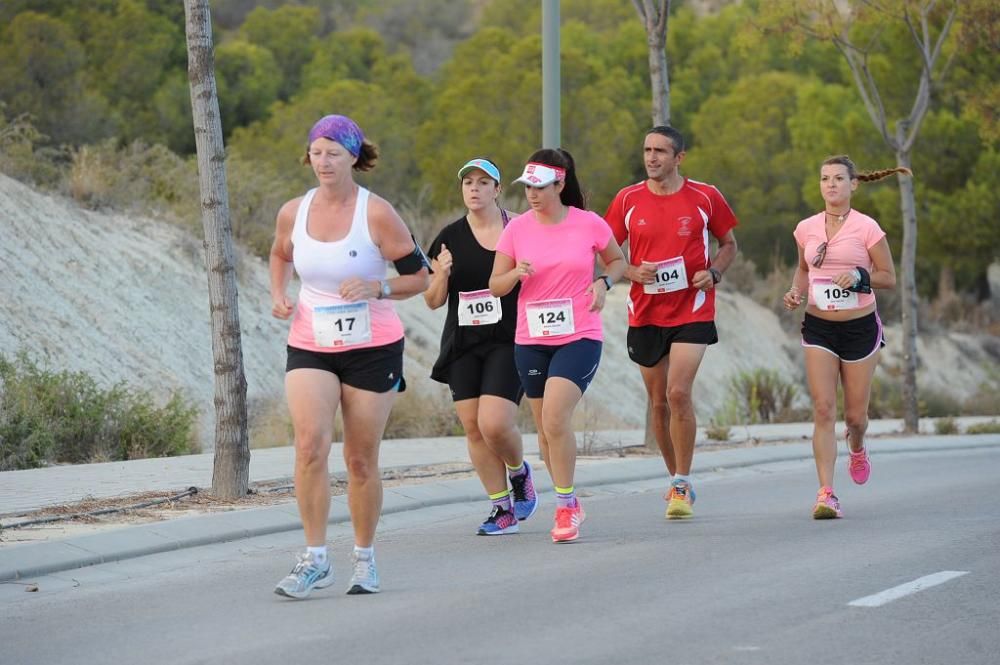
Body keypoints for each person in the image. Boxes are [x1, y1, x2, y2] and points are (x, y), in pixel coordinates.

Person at [269, 114, 430, 598]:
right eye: (316, 152)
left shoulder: (377, 213)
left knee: (360, 459)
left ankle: (364, 558)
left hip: (372, 346)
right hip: (311, 341)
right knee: (309, 446)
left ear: (354, 158)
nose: (323, 162)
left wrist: (377, 285)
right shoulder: (293, 211)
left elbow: (419, 278)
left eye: (333, 153)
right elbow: (280, 254)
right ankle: (315, 558)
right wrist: (279, 293)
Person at [489, 148, 626, 543]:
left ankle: (566, 506)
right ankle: (568, 499)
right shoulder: (516, 229)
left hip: (579, 335)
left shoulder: (588, 224)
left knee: (554, 418)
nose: (532, 194)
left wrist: (603, 283)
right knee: (546, 431)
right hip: (530, 339)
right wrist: (515, 272)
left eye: (540, 186)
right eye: (527, 186)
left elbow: (617, 261)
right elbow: (496, 285)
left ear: (560, 184)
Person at [604, 126, 738, 520]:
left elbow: (729, 244)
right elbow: (605, 252)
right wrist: (629, 271)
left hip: (693, 307)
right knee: (658, 401)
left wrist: (713, 273)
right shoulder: (627, 199)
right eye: (647, 150)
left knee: (679, 393)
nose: (651, 158)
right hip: (645, 312)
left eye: (660, 151)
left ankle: (683, 479)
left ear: (679, 158)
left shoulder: (705, 196)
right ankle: (673, 481)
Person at [783, 155, 903, 519]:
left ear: (853, 184)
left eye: (838, 178)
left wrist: (859, 277)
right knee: (823, 409)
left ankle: (859, 446)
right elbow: (804, 269)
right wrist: (795, 292)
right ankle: (826, 493)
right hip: (819, 326)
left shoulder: (867, 228)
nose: (831, 184)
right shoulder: (805, 228)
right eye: (824, 178)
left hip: (859, 328)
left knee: (854, 417)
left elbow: (888, 277)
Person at [424, 158, 537, 536]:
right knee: (473, 428)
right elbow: (433, 301)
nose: (474, 188)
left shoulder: (520, 228)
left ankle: (519, 472)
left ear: (497, 189)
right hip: (463, 341)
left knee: (495, 424)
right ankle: (501, 509)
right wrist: (441, 274)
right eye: (468, 182)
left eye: (482, 182)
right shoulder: (448, 237)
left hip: (509, 338)